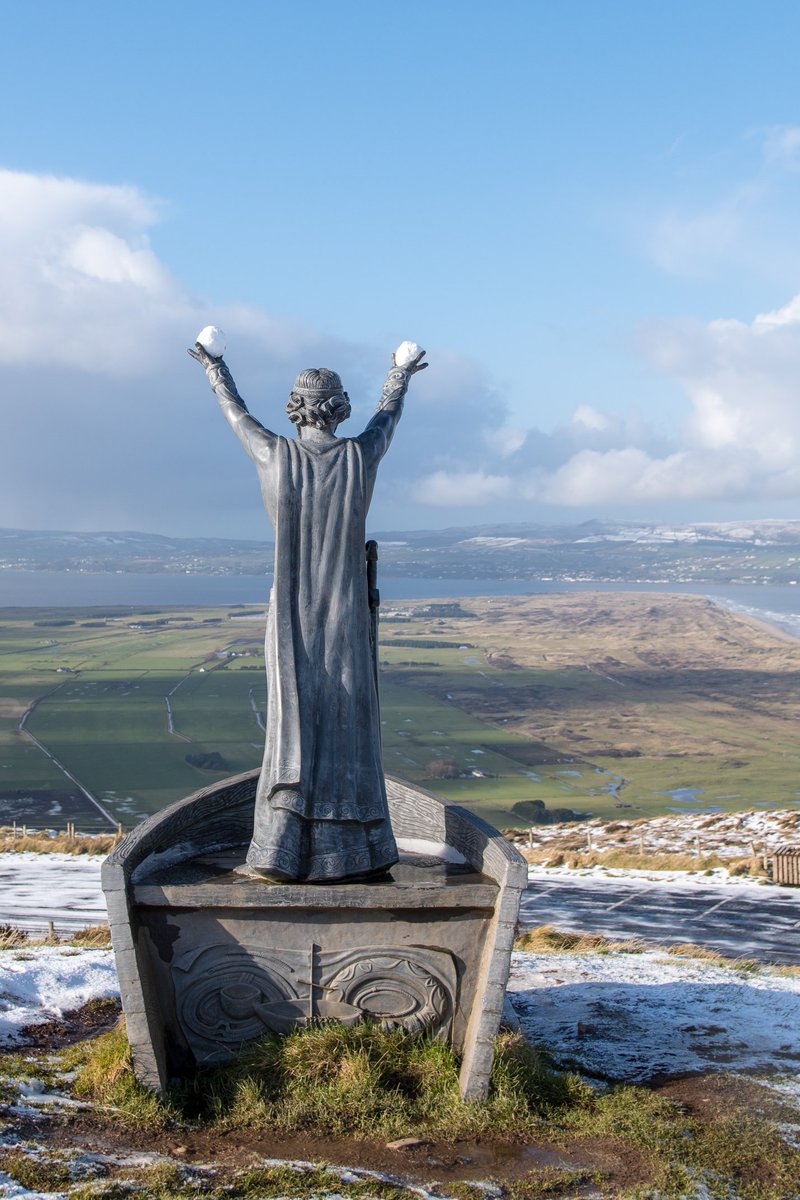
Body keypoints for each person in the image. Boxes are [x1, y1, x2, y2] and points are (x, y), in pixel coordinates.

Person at [188, 341, 428, 882]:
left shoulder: (274, 454)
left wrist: (215, 366)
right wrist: (400, 373)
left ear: (294, 408)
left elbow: (235, 413)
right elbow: (386, 419)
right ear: (340, 408)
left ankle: (280, 846)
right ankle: (358, 850)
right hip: (345, 614)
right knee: (348, 725)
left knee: (291, 724)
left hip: (292, 613)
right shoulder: (359, 456)